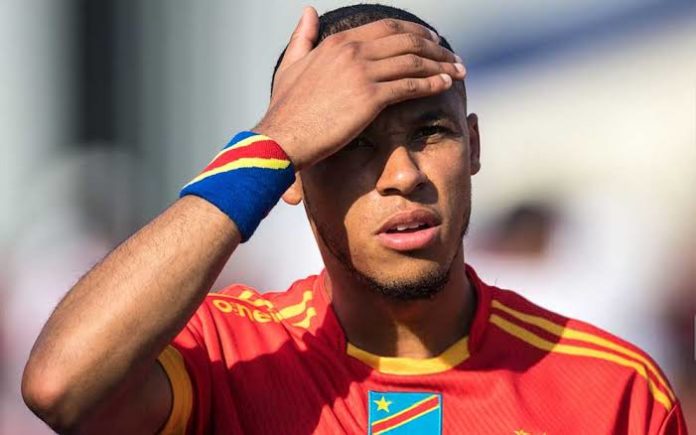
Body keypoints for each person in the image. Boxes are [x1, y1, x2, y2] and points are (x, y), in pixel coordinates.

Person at [21, 4, 687, 434]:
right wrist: (272, 141)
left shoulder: (613, 390)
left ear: (474, 147)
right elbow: (60, 385)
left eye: (430, 133)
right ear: (292, 174)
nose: (403, 175)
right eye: (353, 144)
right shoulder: (229, 357)